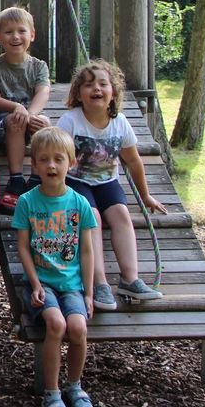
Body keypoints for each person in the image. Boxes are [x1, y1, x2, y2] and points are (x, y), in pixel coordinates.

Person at [57, 60, 167, 309]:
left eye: (103, 84)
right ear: (78, 94)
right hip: (77, 182)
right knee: (92, 218)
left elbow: (133, 161)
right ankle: (99, 282)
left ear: (113, 92)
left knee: (121, 215)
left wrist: (146, 196)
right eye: (89, 85)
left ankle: (130, 278)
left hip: (107, 182)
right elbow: (56, 156)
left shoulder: (120, 123)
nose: (96, 88)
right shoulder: (70, 121)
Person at [12, 128, 98, 407]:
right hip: (42, 285)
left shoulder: (80, 204)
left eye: (58, 159)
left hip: (71, 285)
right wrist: (34, 283)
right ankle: (51, 393)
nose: (51, 166)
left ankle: (74, 386)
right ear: (34, 165)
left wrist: (88, 293)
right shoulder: (26, 202)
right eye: (44, 160)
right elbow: (23, 247)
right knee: (56, 323)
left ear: (71, 163)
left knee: (77, 327)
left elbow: (87, 251)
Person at [0, 6, 52, 213]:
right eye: (8, 32)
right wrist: (17, 108)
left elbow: (43, 93)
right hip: (2, 125)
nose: (15, 36)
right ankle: (15, 180)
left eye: (21, 31)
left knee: (46, 124)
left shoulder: (38, 66)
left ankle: (35, 178)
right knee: (16, 120)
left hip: (29, 119)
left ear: (32, 35)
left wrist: (30, 114)